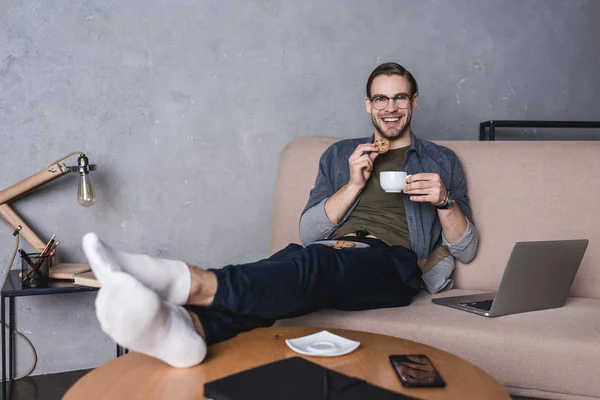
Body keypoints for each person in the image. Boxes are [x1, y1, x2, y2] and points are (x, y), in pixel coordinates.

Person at [82, 62, 478, 368]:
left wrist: (445, 201)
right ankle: (191, 331)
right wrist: (353, 184)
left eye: (400, 98)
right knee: (287, 268)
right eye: (381, 99)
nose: (390, 108)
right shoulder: (340, 155)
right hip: (327, 248)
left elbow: (466, 248)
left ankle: (188, 281)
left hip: (392, 263)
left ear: (414, 101)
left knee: (317, 263)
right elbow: (309, 231)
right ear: (367, 104)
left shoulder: (441, 160)